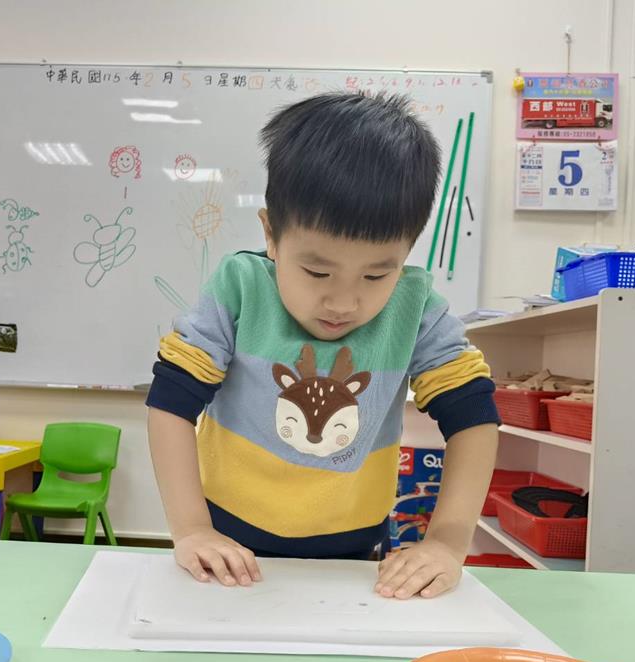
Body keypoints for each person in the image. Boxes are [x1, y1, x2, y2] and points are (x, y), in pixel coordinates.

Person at [146, 92, 499, 599]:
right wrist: (191, 529)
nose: (343, 302)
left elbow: (475, 416)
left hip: (357, 552)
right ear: (271, 235)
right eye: (316, 271)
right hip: (227, 542)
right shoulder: (240, 287)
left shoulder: (416, 307)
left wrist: (447, 541)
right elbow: (170, 404)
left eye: (377, 275)